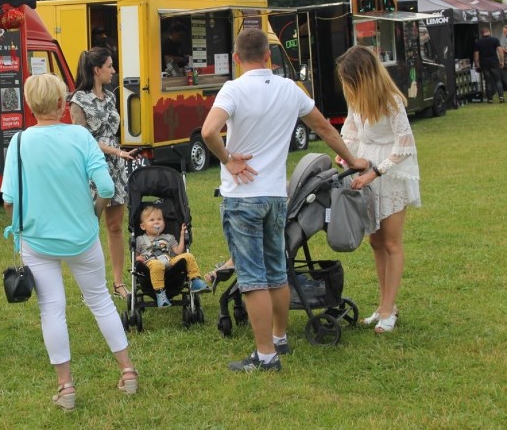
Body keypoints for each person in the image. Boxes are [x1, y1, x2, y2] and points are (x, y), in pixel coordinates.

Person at [201, 29, 367, 372]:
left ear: (235, 59)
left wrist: (228, 158)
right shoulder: (290, 89)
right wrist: (352, 161)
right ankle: (278, 337)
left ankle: (264, 356)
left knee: (252, 279)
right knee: (277, 272)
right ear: (268, 57)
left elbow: (207, 131)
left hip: (242, 197)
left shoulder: (232, 89)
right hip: (277, 196)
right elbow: (324, 129)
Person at [1, 73, 138, 411]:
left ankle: (66, 387)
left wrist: (21, 219)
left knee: (52, 310)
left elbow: (8, 200)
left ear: (30, 105)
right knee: (101, 302)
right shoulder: (79, 136)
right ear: (62, 103)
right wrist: (94, 213)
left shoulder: (19, 142)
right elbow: (106, 189)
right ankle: (128, 371)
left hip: (37, 238)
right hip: (82, 235)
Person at [336, 45, 422, 334]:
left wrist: (376, 171)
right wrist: (346, 154)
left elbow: (405, 144)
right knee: (375, 241)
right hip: (367, 170)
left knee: (391, 242)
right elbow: (349, 131)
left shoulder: (391, 100)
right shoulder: (356, 99)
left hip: (391, 172)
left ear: (363, 76)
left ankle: (389, 308)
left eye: (350, 79)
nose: (347, 86)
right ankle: (385, 305)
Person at [69, 47, 137, 301]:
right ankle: (92, 286)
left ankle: (118, 283)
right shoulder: (78, 100)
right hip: (92, 167)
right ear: (97, 70)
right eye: (109, 66)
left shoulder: (110, 97)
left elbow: (113, 131)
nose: (113, 70)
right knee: (89, 227)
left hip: (116, 167)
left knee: (115, 226)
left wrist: (120, 153)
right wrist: (117, 153)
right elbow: (84, 140)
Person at [134, 205, 210, 307]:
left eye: (160, 219)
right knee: (156, 264)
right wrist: (137, 258)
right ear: (143, 226)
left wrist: (182, 235)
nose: (156, 222)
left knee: (188, 256)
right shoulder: (140, 239)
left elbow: (178, 252)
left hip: (169, 262)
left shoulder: (169, 237)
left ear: (164, 223)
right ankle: (160, 294)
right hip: (150, 264)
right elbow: (135, 256)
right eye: (152, 220)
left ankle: (195, 280)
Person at [472, 27, 505, 103]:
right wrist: (502, 61)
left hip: (484, 64)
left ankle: (490, 99)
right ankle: (501, 97)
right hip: (494, 62)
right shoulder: (495, 40)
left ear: (481, 33)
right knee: (498, 80)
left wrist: (477, 64)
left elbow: (476, 54)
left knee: (488, 81)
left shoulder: (478, 42)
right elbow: (500, 50)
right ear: (489, 32)